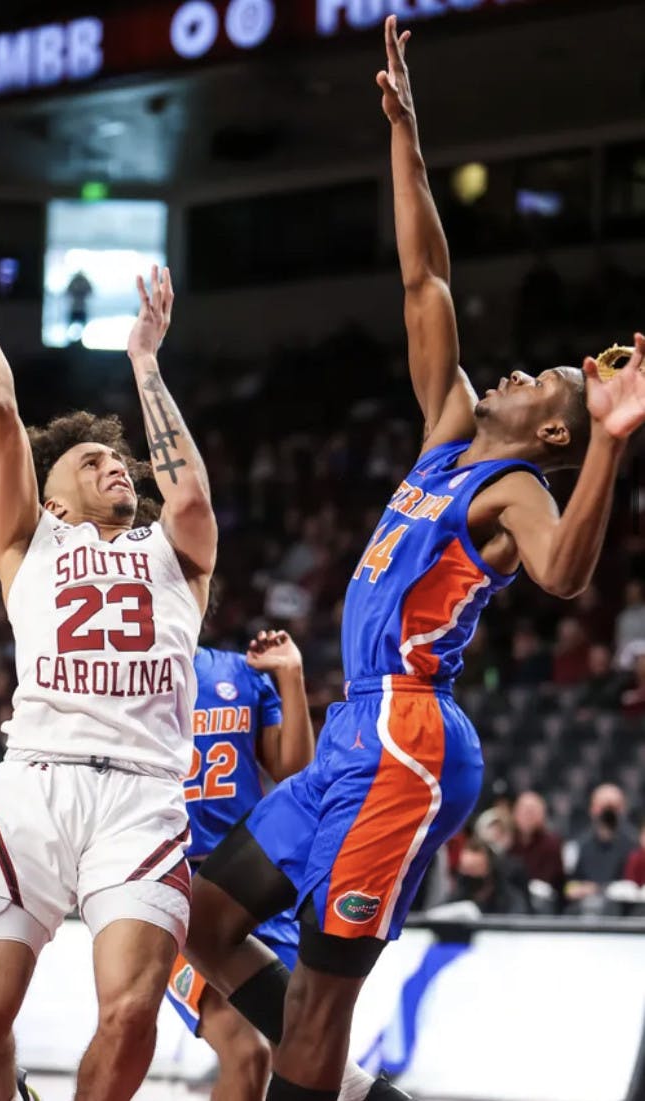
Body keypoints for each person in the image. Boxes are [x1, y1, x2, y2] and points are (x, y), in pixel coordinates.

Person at [179, 17, 645, 1101]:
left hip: (410, 740)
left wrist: (614, 446)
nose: (523, 372)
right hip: (352, 729)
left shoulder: (519, 485)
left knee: (324, 999)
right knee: (203, 921)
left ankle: (314, 1069)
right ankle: (336, 1082)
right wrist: (407, 133)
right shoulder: (447, 432)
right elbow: (423, 278)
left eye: (542, 386)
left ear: (555, 434)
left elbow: (568, 576)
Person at [0, 249, 216, 1101]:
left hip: (142, 797)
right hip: (35, 783)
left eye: (118, 459)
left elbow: (192, 499)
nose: (113, 463)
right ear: (53, 498)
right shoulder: (31, 544)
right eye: (90, 460)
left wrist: (145, 360)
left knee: (132, 1009)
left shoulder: (176, 552)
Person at [167, 628, 314, 1100]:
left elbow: (293, 772)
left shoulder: (238, 672)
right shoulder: (123, 677)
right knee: (246, 1053)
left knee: (297, 1051)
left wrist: (291, 676)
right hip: (177, 885)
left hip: (253, 884)